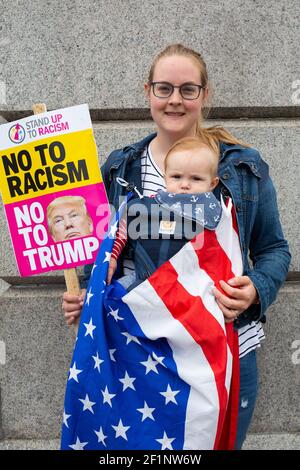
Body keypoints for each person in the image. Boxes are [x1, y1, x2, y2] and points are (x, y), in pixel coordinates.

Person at [62, 43, 291, 449]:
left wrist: (256, 288)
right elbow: (101, 256)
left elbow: (274, 249)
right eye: (164, 88)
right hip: (137, 357)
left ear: (205, 95)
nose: (175, 100)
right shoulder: (120, 167)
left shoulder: (241, 167)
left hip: (222, 348)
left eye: (188, 89)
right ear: (147, 92)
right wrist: (87, 297)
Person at [106, 136, 220, 287]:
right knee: (111, 297)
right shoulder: (151, 203)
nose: (185, 184)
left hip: (192, 287)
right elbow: (123, 226)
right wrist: (112, 256)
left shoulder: (215, 212)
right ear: (165, 178)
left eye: (196, 179)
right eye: (176, 177)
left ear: (212, 183)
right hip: (143, 282)